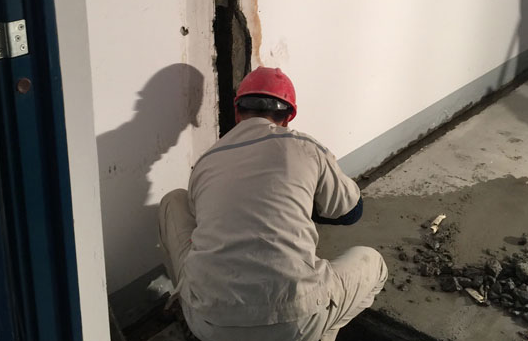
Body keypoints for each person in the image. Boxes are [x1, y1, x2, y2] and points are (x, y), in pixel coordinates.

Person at [158, 67, 387, 341]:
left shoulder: (206, 161)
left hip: (207, 320)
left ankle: (184, 300)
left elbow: (200, 221)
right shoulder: (305, 147)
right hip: (295, 319)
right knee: (374, 264)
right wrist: (303, 201)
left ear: (237, 112)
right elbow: (351, 212)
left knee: (173, 200)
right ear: (288, 118)